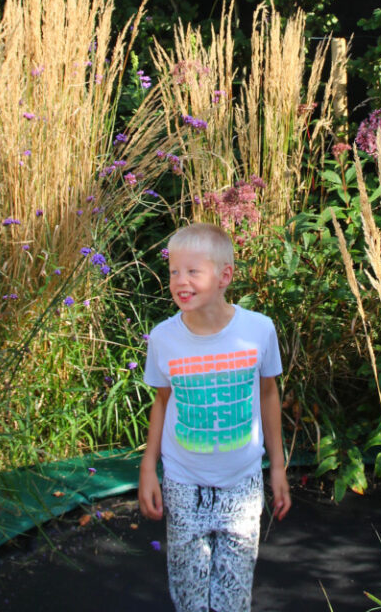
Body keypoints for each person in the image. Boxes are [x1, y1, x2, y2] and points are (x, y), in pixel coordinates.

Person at [139, 222, 291, 612]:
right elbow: (161, 401)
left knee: (233, 596)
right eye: (174, 271)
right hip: (183, 482)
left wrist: (277, 468)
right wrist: (147, 469)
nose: (180, 281)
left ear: (225, 276)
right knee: (189, 595)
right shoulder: (163, 338)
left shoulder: (258, 330)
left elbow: (269, 394)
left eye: (193, 271)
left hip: (242, 483)